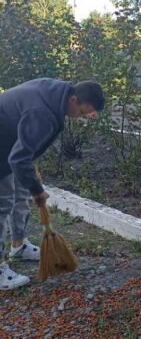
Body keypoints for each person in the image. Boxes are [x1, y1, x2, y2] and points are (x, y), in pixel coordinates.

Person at [0, 78, 105, 290]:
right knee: (2, 204)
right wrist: (38, 191)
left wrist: (32, 173)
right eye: (83, 112)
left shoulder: (57, 92)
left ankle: (18, 245)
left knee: (20, 194)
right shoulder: (44, 112)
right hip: (4, 148)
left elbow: (25, 146)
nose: (81, 117)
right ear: (74, 100)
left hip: (10, 143)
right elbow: (18, 158)